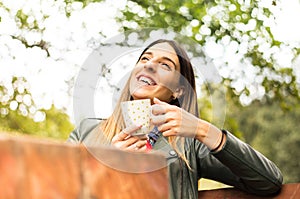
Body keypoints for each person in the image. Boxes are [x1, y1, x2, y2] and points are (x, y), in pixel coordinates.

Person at [67, 39, 283, 199]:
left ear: (178, 91)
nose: (149, 65)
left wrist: (203, 130)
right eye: (145, 59)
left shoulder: (188, 144)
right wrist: (106, 167)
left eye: (165, 65)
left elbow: (269, 182)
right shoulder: (86, 132)